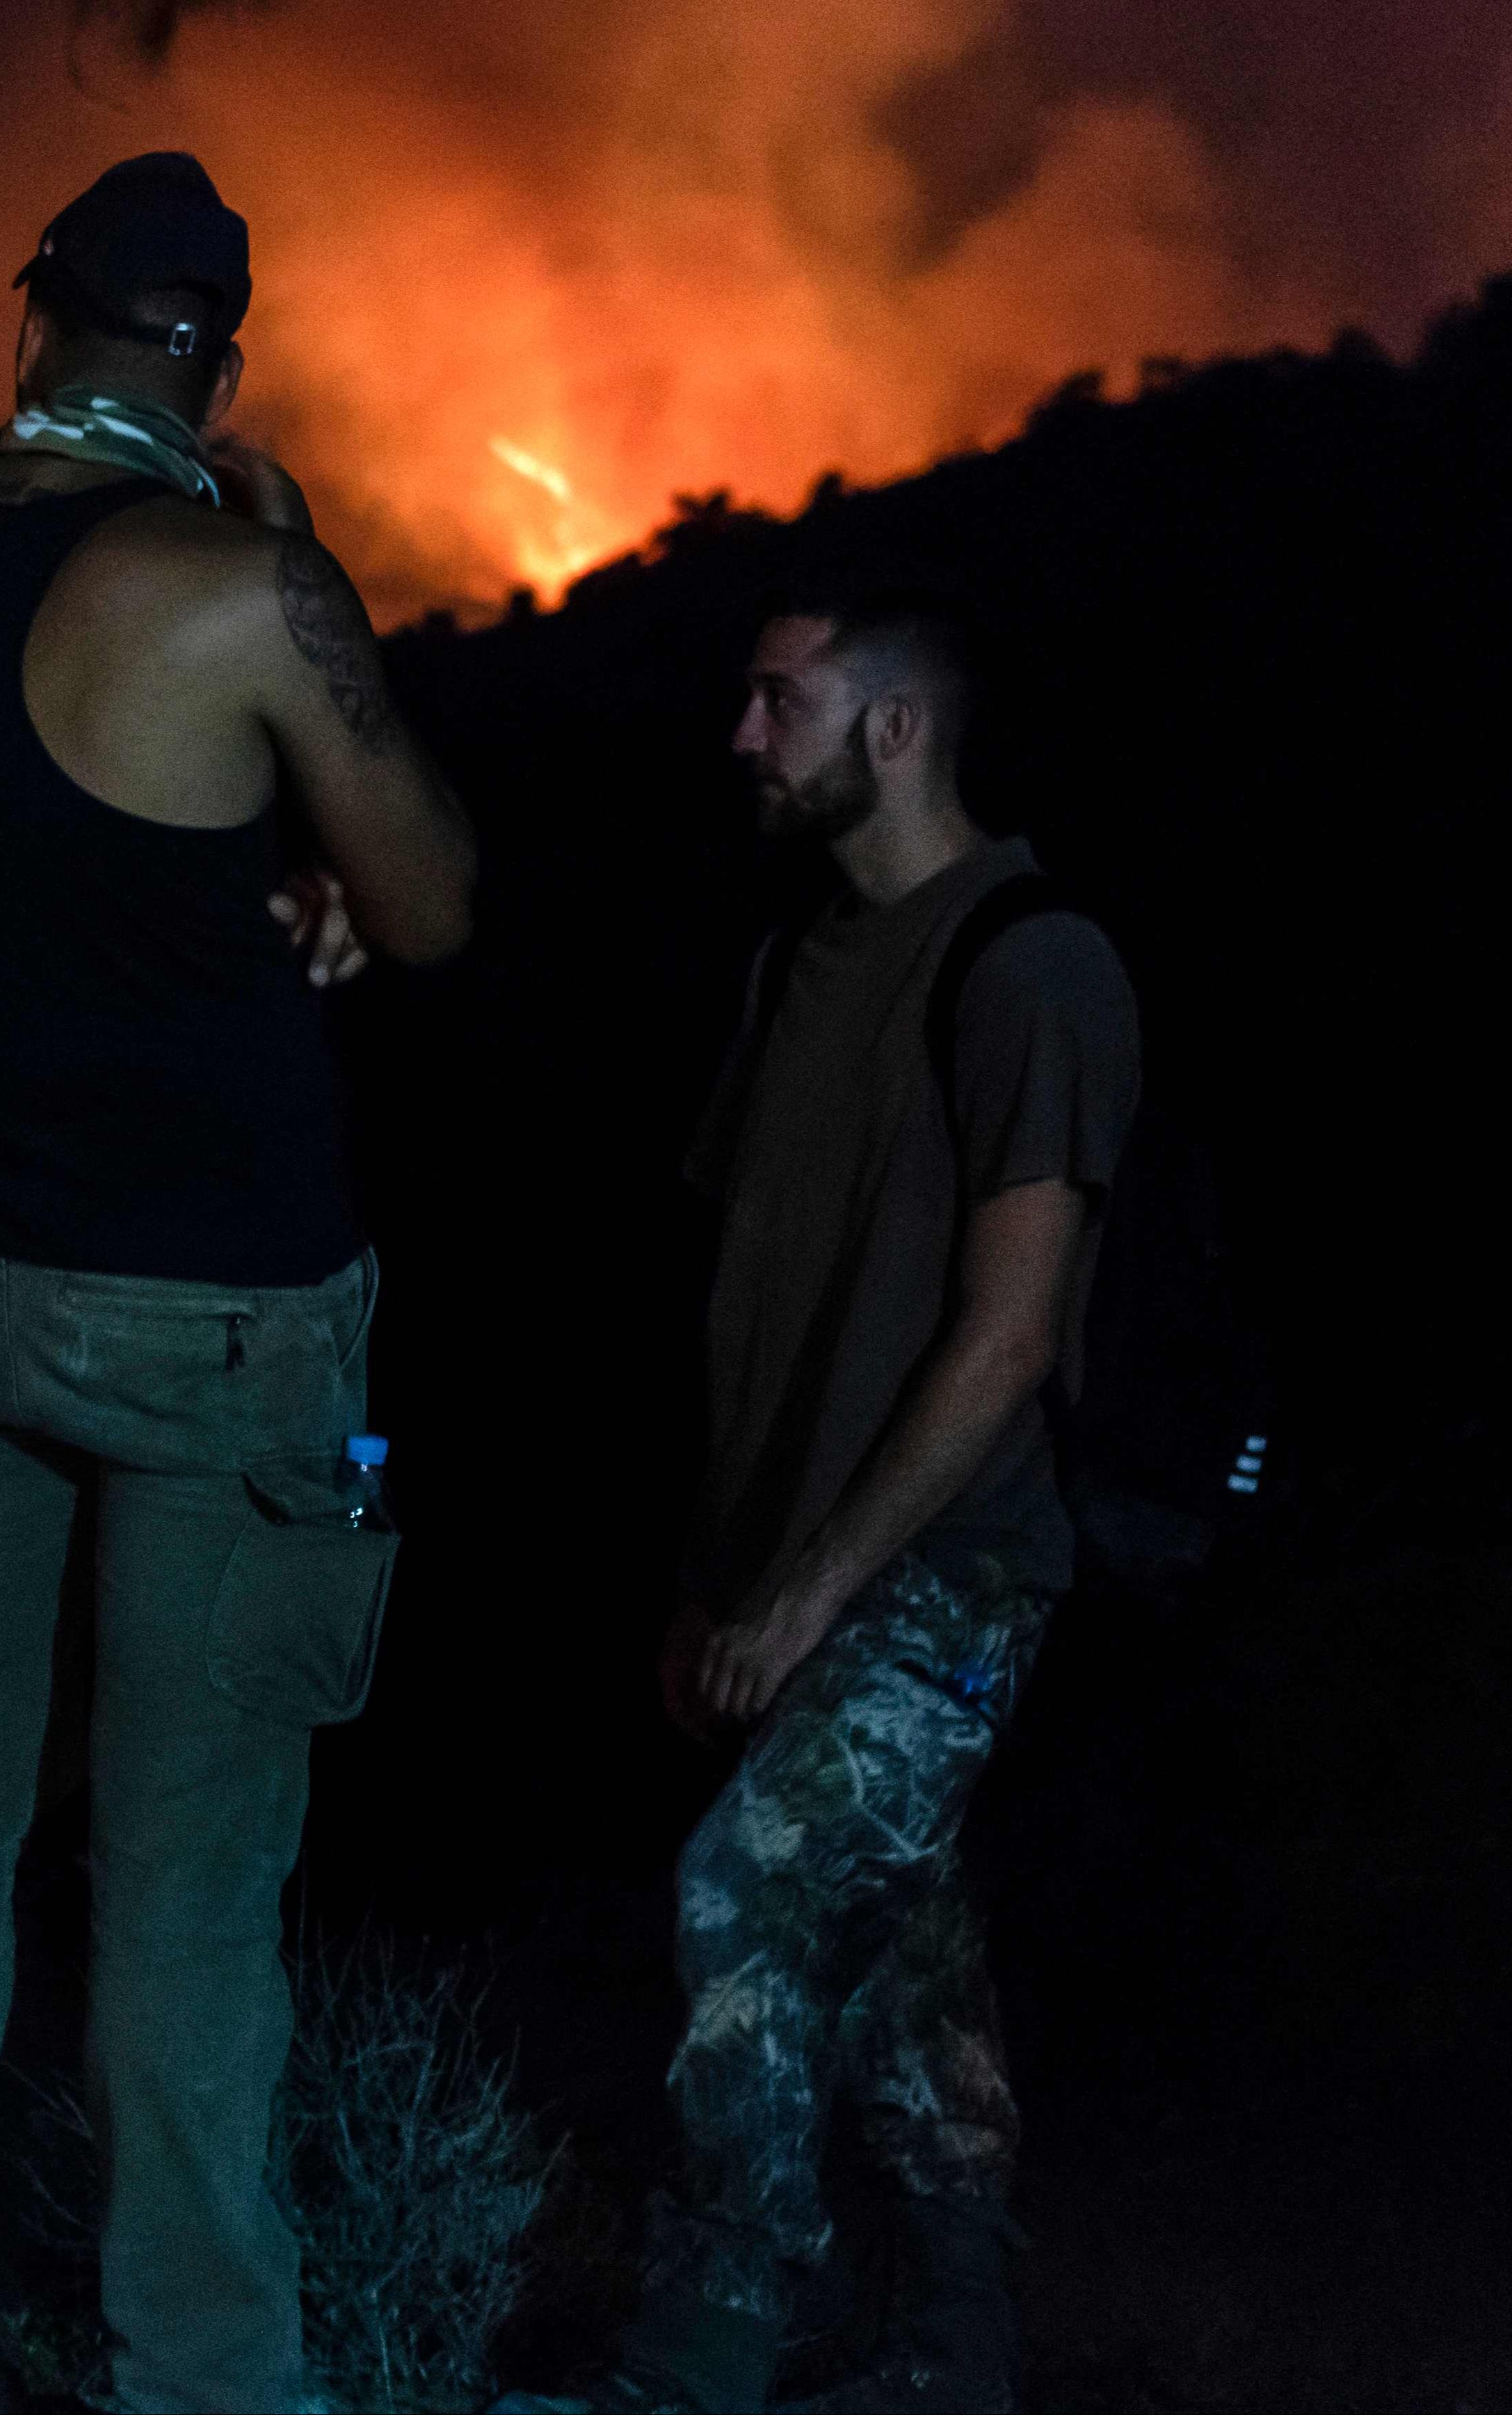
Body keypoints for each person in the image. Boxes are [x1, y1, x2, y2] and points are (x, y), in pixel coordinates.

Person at [0, 152, 480, 2415]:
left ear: (34, 323)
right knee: (186, 1885)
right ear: (213, 354)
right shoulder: (248, 589)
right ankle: (202, 2370)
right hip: (214, 1318)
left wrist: (239, 882)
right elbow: (439, 909)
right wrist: (295, 566)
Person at [516, 577, 1139, 2415]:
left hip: (949, 1566)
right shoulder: (793, 966)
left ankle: (730, 2321)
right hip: (790, 1565)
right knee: (906, 1951)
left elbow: (1013, 1333)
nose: (741, 735)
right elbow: (753, 1303)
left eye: (778, 700)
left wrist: (809, 1591)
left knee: (740, 1899)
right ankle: (956, 2349)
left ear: (895, 727)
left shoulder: (1035, 962)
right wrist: (722, 1579)